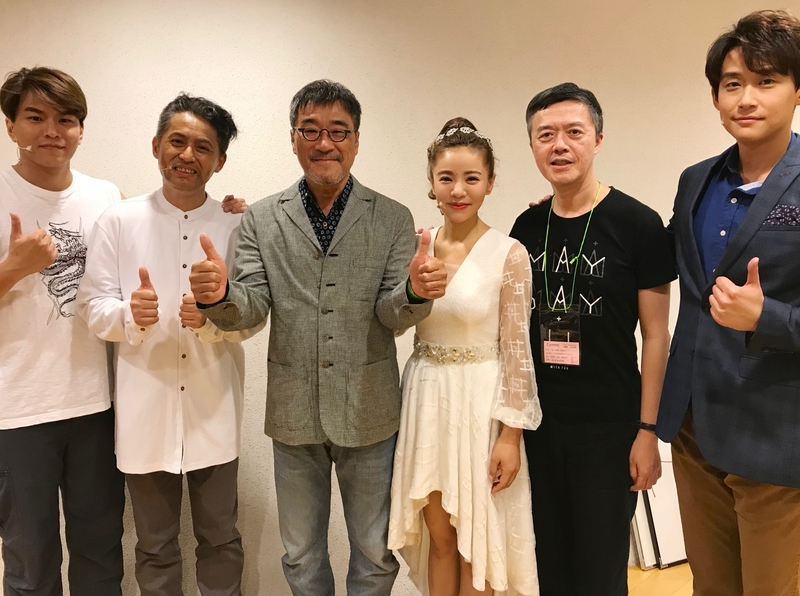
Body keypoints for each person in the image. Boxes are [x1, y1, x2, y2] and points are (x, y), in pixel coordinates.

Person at [189, 79, 447, 596]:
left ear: (356, 140)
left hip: (371, 410)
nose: (324, 142)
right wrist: (220, 296)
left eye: (338, 131)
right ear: (293, 138)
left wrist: (415, 292)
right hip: (293, 412)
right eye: (310, 130)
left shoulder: (392, 217)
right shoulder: (263, 217)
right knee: (301, 555)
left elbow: (392, 315)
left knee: (375, 552)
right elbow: (252, 307)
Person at [77, 93, 259, 596]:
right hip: (144, 414)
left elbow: (254, 317)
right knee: (155, 545)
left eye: (203, 147)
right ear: (156, 145)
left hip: (213, 409)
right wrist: (128, 316)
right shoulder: (118, 220)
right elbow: (92, 306)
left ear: (220, 160)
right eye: (177, 141)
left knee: (221, 539)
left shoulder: (237, 224)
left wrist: (213, 318)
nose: (187, 155)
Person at [510, 83, 675, 596]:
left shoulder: (638, 224)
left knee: (600, 571)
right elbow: (512, 333)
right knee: (547, 564)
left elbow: (656, 335)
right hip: (540, 424)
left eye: (573, 132)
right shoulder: (527, 226)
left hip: (609, 429)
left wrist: (648, 431)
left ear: (598, 140)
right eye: (545, 135)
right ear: (532, 145)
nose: (559, 145)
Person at [656, 10, 800, 596]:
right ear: (715, 96)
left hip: (773, 432)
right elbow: (663, 256)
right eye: (732, 83)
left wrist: (765, 317)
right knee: (711, 586)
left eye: (767, 81)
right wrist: (575, 207)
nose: (746, 98)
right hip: (694, 425)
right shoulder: (696, 180)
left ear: (797, 90)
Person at [388, 118, 542, 596]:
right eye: (447, 178)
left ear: (490, 182)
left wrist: (511, 435)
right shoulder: (416, 245)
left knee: (478, 539)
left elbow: (517, 350)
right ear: (431, 183)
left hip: (481, 404)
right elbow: (391, 318)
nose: (458, 190)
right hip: (426, 398)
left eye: (471, 178)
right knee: (440, 538)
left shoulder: (509, 253)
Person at [0, 66, 126, 596]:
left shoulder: (106, 196)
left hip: (96, 404)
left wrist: (228, 217)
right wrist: (13, 268)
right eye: (36, 117)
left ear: (81, 130)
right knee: (30, 565)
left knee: (101, 556)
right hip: (17, 411)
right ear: (10, 125)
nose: (53, 131)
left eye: (66, 119)